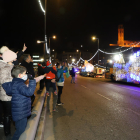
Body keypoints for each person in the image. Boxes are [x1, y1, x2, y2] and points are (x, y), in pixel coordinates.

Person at [2, 65, 36, 140]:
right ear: (20, 75)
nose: (26, 75)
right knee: (20, 131)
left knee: (20, 129)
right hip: (20, 113)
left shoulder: (15, 83)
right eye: (25, 73)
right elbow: (29, 92)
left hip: (19, 111)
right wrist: (32, 80)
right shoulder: (20, 85)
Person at [0, 49, 17, 139]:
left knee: (10, 114)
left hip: (10, 94)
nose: (15, 59)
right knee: (7, 115)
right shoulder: (4, 67)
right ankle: (7, 133)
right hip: (6, 95)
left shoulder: (9, 66)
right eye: (14, 57)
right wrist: (15, 79)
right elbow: (3, 80)